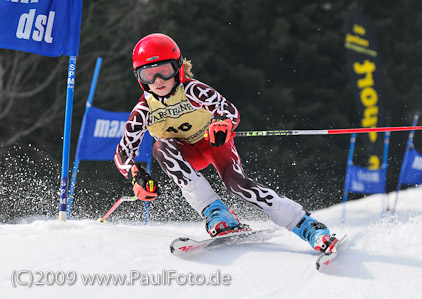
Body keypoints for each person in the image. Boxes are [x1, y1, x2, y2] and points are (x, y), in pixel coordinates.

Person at [114, 33, 338, 253]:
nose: (158, 81)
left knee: (236, 183)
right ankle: (217, 213)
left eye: (164, 71)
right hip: (184, 154)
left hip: (213, 143)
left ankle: (308, 226)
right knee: (161, 148)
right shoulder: (143, 111)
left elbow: (228, 110)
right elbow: (123, 152)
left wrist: (222, 123)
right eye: (148, 75)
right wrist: (135, 175)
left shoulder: (192, 90)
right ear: (139, 78)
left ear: (178, 68)